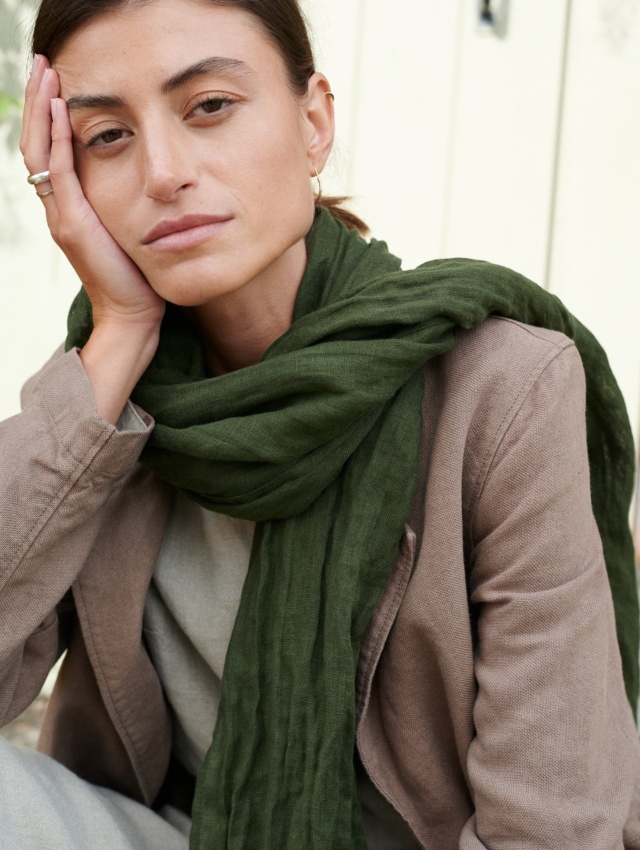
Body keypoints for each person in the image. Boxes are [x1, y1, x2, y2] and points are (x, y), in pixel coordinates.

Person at [2, 0, 640, 847]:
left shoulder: (501, 388)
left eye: (209, 107)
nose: (162, 171)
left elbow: (553, 824)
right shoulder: (105, 395)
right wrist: (120, 328)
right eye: (107, 136)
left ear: (313, 122)